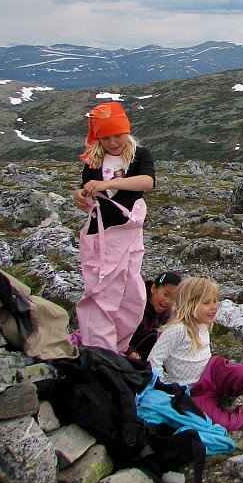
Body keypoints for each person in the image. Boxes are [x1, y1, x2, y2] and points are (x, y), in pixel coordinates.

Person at [73, 101, 155, 354]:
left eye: (117, 135)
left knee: (133, 293)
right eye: (105, 137)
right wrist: (81, 193)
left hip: (130, 232)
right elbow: (87, 192)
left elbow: (148, 182)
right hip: (103, 234)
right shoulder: (93, 160)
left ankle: (119, 343)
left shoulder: (140, 154)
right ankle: (101, 349)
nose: (112, 142)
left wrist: (105, 184)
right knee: (103, 293)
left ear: (126, 131)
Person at [149, 277, 243, 431]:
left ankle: (226, 398)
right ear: (190, 304)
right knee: (216, 423)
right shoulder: (176, 329)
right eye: (206, 303)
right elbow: (154, 360)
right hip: (194, 390)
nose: (213, 307)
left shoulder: (203, 325)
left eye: (214, 302)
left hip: (213, 373)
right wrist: (165, 389)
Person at [126, 271, 181, 359]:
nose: (168, 301)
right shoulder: (137, 305)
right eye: (165, 294)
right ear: (153, 289)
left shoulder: (167, 314)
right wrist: (130, 351)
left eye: (173, 298)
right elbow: (120, 334)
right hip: (125, 352)